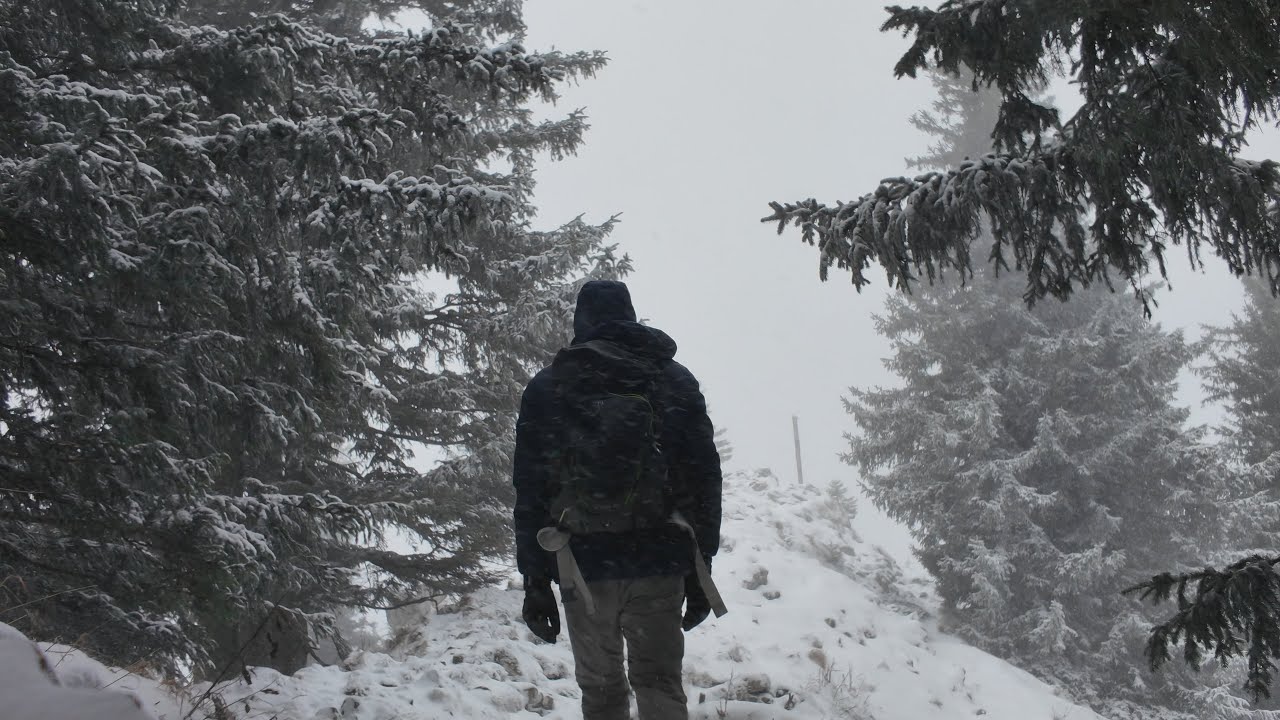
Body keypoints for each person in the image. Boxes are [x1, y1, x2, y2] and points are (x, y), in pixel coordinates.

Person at [512, 280, 725, 720]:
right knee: (660, 684)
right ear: (630, 316)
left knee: (601, 689)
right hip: (657, 559)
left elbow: (530, 491)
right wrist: (702, 565)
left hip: (582, 564)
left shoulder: (549, 387)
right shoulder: (673, 380)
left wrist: (535, 582)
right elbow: (704, 479)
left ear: (580, 321)